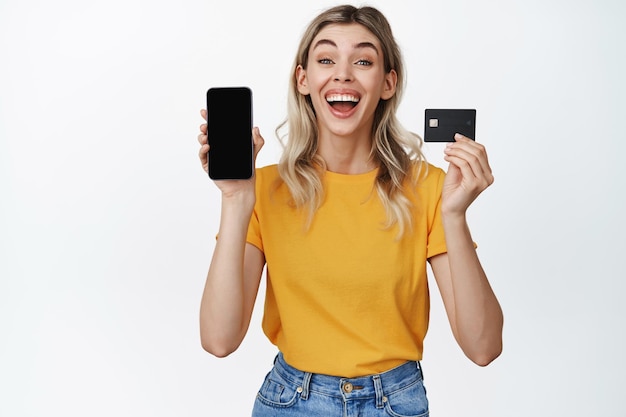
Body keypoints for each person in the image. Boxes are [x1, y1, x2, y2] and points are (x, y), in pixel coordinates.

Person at [196, 4, 503, 416]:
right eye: (325, 59)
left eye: (363, 60)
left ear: (388, 83)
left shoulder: (430, 187)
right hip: (291, 402)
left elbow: (483, 347)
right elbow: (219, 340)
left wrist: (454, 216)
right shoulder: (262, 189)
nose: (343, 74)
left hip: (395, 402)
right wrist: (235, 201)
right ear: (303, 80)